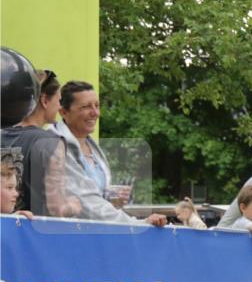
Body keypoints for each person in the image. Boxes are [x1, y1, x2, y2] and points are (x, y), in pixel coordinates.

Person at [52, 81, 166, 226]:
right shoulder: (56, 146)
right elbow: (87, 203)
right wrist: (138, 223)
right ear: (63, 112)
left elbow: (95, 200)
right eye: (86, 107)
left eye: (97, 106)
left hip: (95, 234)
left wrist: (111, 199)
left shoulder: (93, 147)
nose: (95, 113)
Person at [1, 69, 79, 217]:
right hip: (36, 234)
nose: (60, 107)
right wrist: (74, 205)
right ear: (44, 100)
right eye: (59, 100)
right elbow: (56, 207)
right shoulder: (51, 143)